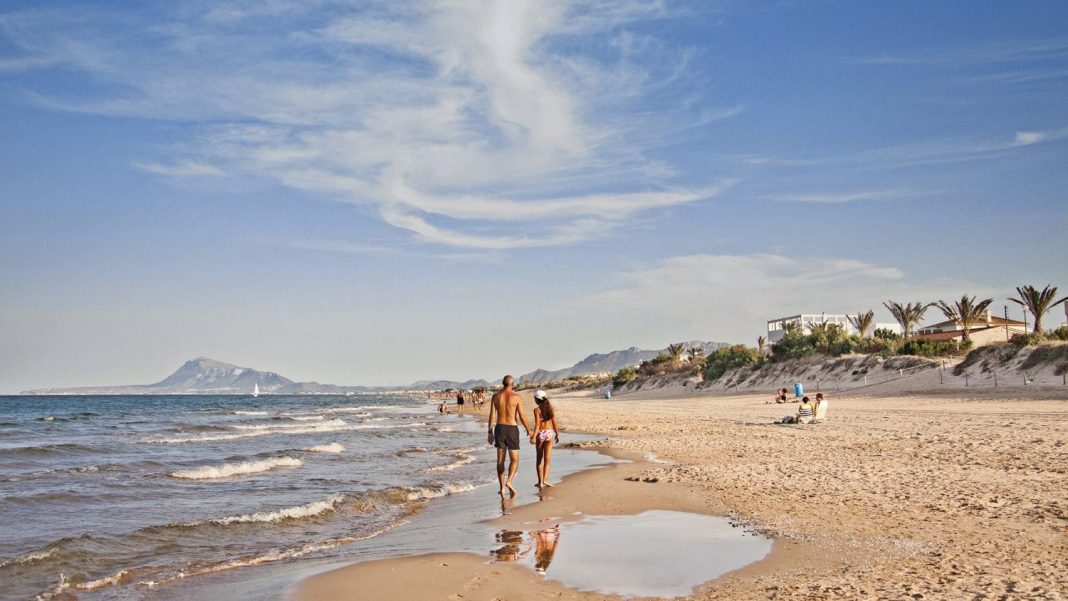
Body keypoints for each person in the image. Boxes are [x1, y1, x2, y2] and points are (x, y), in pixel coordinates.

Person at [487, 375, 531, 496]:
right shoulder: (516, 397)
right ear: (512, 384)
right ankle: (509, 481)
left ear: (502, 383)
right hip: (512, 429)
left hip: (500, 428)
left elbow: (492, 416)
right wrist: (528, 429)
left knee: (500, 460)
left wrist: (490, 432)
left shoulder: (495, 397)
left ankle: (502, 488)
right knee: (515, 459)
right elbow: (522, 416)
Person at [529, 390, 560, 488]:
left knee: (539, 459)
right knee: (547, 459)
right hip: (549, 433)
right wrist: (557, 434)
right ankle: (546, 480)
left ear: (537, 400)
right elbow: (554, 422)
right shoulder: (551, 409)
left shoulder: (536, 410)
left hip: (541, 433)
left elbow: (538, 424)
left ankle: (540, 482)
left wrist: (533, 436)